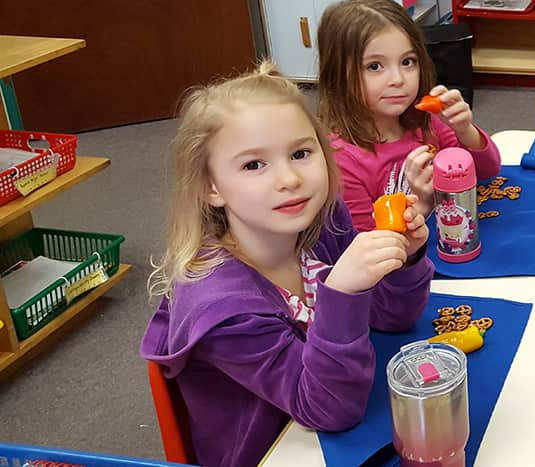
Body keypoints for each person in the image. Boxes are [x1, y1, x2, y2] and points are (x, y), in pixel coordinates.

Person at [141, 63, 433, 467]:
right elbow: (328, 410)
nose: (290, 179)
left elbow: (391, 319)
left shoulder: (322, 224)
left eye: (300, 153)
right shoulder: (222, 309)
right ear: (211, 187)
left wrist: (405, 259)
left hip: (335, 419)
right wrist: (343, 292)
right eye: (253, 165)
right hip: (274, 452)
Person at [317, 0, 501, 232]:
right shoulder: (341, 161)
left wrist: (465, 130)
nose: (398, 79)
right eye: (374, 66)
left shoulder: (427, 122)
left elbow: (488, 172)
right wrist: (422, 204)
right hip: (403, 261)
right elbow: (367, 251)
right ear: (337, 75)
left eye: (407, 62)